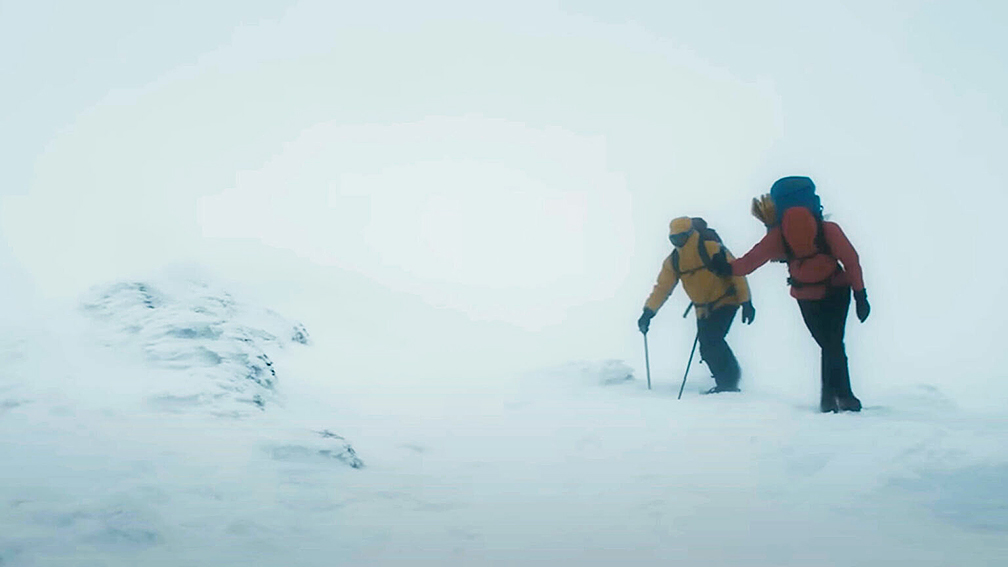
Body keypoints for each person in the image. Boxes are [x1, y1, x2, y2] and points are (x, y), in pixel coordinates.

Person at [708, 176, 870, 412]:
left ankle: (833, 398)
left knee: (828, 344)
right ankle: (840, 397)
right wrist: (860, 295)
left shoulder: (778, 236)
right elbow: (851, 260)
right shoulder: (828, 229)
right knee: (834, 343)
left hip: (805, 296)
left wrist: (723, 266)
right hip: (837, 291)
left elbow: (747, 264)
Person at [637, 216, 755, 394]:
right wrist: (648, 312)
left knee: (711, 341)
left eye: (681, 237)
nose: (678, 242)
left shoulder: (710, 247)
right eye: (673, 239)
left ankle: (728, 383)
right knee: (707, 346)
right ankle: (727, 382)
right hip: (703, 309)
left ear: (690, 234)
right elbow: (662, 288)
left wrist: (746, 301)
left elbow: (735, 273)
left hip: (726, 300)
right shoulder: (674, 260)